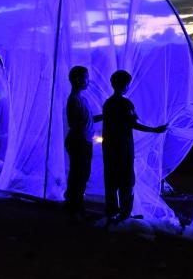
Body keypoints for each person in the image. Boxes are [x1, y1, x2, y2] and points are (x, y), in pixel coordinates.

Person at [100, 70, 167, 223]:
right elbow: (133, 123)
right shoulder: (125, 103)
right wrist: (154, 130)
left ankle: (111, 212)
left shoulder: (108, 104)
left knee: (111, 180)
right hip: (123, 147)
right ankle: (124, 214)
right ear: (126, 85)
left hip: (109, 147)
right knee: (126, 180)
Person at [64, 66, 101, 219]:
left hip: (83, 141)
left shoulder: (82, 99)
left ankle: (75, 205)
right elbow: (75, 123)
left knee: (81, 174)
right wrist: (83, 139)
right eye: (86, 77)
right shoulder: (74, 100)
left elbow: (87, 120)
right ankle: (75, 207)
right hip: (79, 142)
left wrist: (104, 116)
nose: (88, 80)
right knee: (78, 175)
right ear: (78, 79)